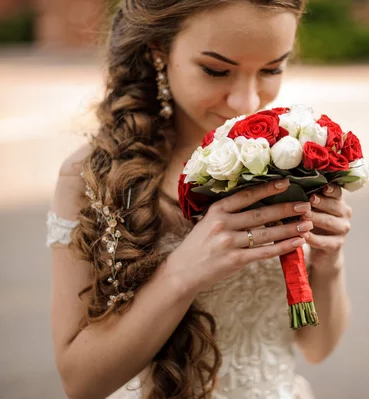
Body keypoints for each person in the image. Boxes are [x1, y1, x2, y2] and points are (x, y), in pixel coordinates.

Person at [47, 1, 353, 398]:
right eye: (216, 71)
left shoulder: (288, 159)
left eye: (271, 69)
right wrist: (182, 274)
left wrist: (329, 264)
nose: (246, 102)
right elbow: (80, 383)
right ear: (159, 50)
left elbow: (317, 347)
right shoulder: (90, 177)